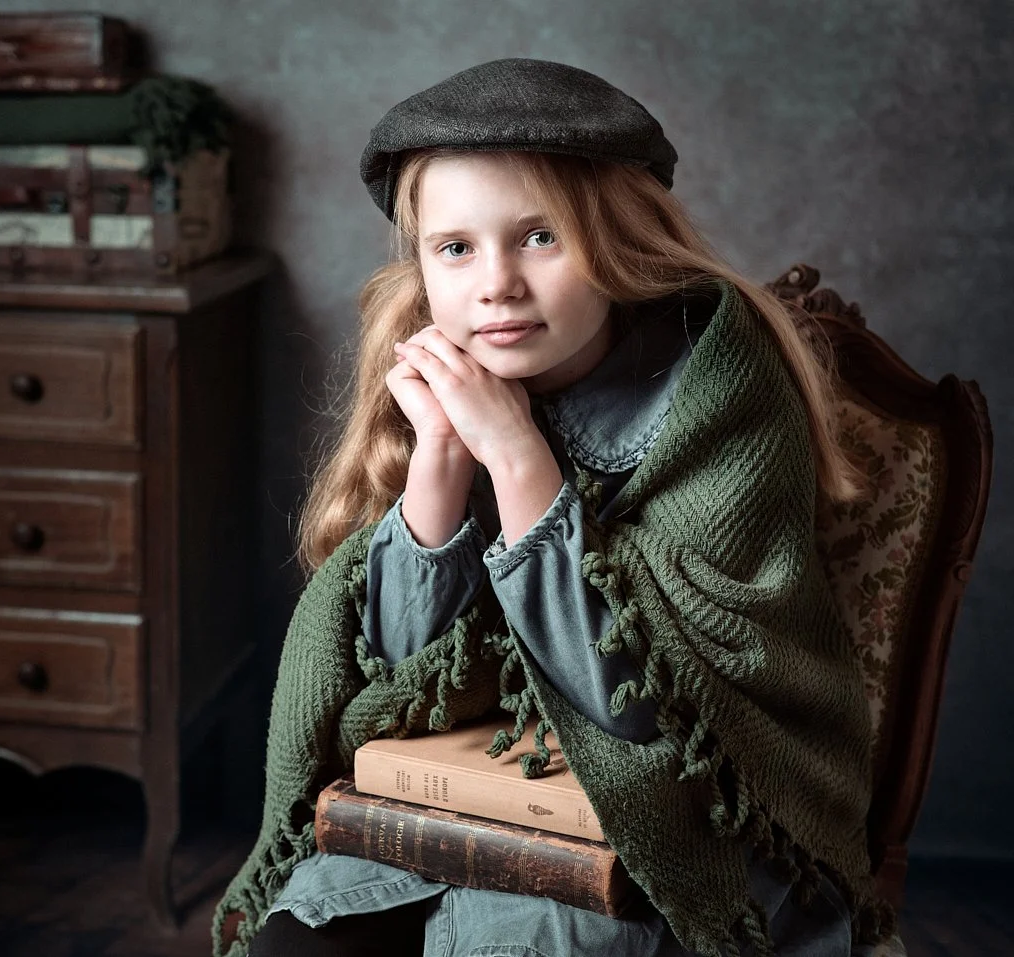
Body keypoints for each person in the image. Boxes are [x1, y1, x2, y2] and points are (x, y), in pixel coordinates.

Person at [214, 58, 895, 957]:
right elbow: (399, 689)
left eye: (540, 237)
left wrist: (518, 456)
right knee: (296, 934)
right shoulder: (444, 380)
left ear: (620, 243)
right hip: (468, 797)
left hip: (674, 817)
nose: (495, 284)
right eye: (455, 248)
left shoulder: (717, 387)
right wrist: (443, 463)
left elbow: (644, 713)